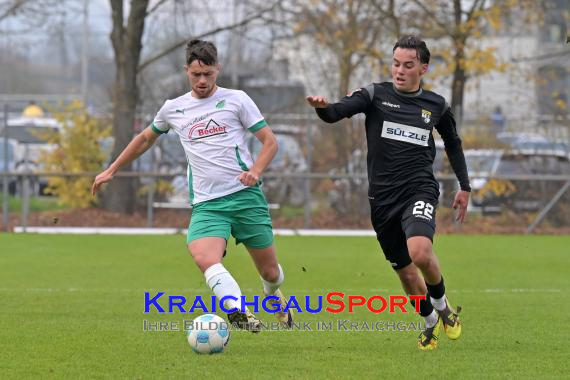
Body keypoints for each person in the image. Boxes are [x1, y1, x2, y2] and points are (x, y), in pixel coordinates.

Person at [92, 39, 293, 331]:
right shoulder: (174, 108)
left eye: (208, 74)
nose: (202, 81)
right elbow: (146, 138)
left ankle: (274, 295)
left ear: (217, 70)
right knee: (203, 256)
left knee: (271, 272)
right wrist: (112, 168)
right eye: (196, 74)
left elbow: (270, 142)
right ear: (186, 70)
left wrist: (255, 170)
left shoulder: (237, 99)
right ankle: (239, 311)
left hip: (246, 197)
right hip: (208, 204)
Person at [306, 35, 471, 350]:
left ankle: (443, 305)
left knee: (420, 251)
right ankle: (430, 322)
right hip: (382, 201)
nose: (400, 70)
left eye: (408, 65)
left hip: (419, 189)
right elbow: (336, 112)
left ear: (423, 68)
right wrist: (323, 108)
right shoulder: (374, 95)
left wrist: (464, 185)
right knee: (407, 276)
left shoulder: (437, 105)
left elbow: (453, 143)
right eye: (396, 63)